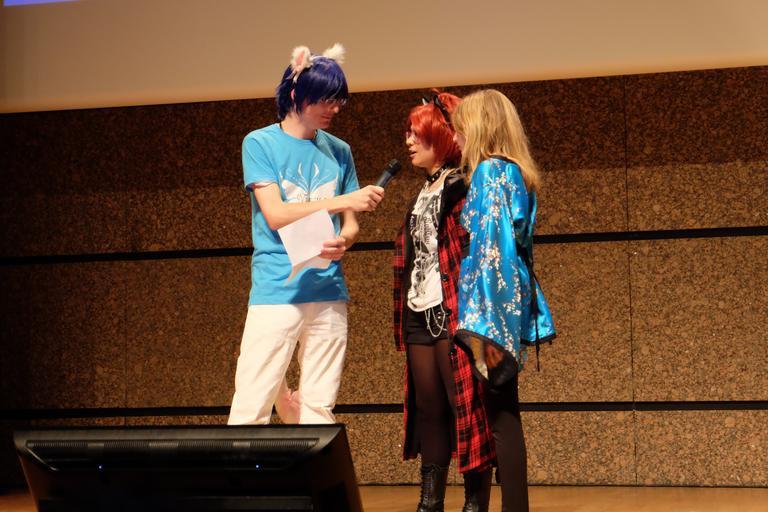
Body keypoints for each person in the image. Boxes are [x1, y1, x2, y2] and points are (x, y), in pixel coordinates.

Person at [228, 44, 385, 426]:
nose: (333, 109)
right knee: (252, 404)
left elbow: (350, 224)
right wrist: (342, 201)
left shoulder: (339, 150)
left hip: (328, 289)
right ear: (297, 93)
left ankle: (314, 468)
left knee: (319, 408)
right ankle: (241, 469)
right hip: (277, 287)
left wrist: (344, 240)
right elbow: (276, 214)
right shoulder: (260, 143)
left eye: (338, 101)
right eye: (325, 100)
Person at [451, 89, 556, 512]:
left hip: (492, 309)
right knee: (504, 414)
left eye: (460, 129)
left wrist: (489, 329)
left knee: (502, 419)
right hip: (504, 304)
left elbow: (494, 252)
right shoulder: (515, 172)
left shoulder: (490, 172)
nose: (456, 139)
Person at [393, 92, 496, 512]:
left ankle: (474, 503)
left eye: (416, 133)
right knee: (429, 407)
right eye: (408, 133)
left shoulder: (460, 184)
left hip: (452, 309)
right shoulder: (424, 190)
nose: (408, 142)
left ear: (441, 136)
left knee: (465, 406)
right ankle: (429, 502)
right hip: (420, 311)